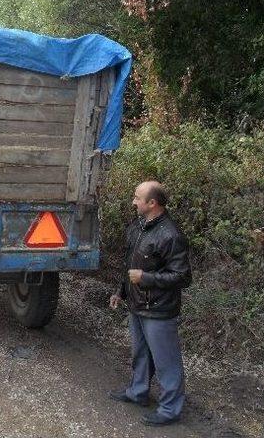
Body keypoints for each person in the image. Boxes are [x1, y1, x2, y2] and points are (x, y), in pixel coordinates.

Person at [108, 181, 192, 427]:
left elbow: (183, 277)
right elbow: (129, 265)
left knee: (167, 361)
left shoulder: (171, 235)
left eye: (137, 198)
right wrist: (120, 292)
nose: (133, 201)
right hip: (136, 305)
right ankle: (138, 392)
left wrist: (146, 278)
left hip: (158, 310)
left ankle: (170, 410)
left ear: (152, 203)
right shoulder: (138, 226)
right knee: (140, 354)